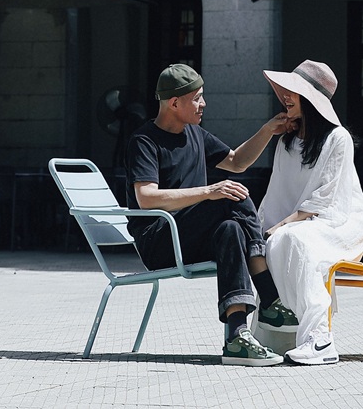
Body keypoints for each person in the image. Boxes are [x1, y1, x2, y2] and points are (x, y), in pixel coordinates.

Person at [125, 63, 300, 366]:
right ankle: (269, 296)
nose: (203, 104)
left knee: (230, 228)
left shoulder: (195, 134)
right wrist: (209, 191)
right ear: (174, 103)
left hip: (190, 237)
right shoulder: (144, 141)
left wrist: (268, 130)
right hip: (159, 240)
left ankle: (237, 337)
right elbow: (146, 198)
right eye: (197, 98)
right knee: (228, 197)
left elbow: (237, 162)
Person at [257, 59, 363, 365]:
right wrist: (269, 227)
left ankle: (320, 339)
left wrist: (283, 224)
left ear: (309, 98)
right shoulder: (286, 142)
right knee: (276, 242)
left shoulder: (338, 138)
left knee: (295, 240)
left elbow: (325, 198)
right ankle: (285, 336)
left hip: (341, 223)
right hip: (299, 224)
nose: (285, 96)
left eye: (293, 91)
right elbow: (277, 192)